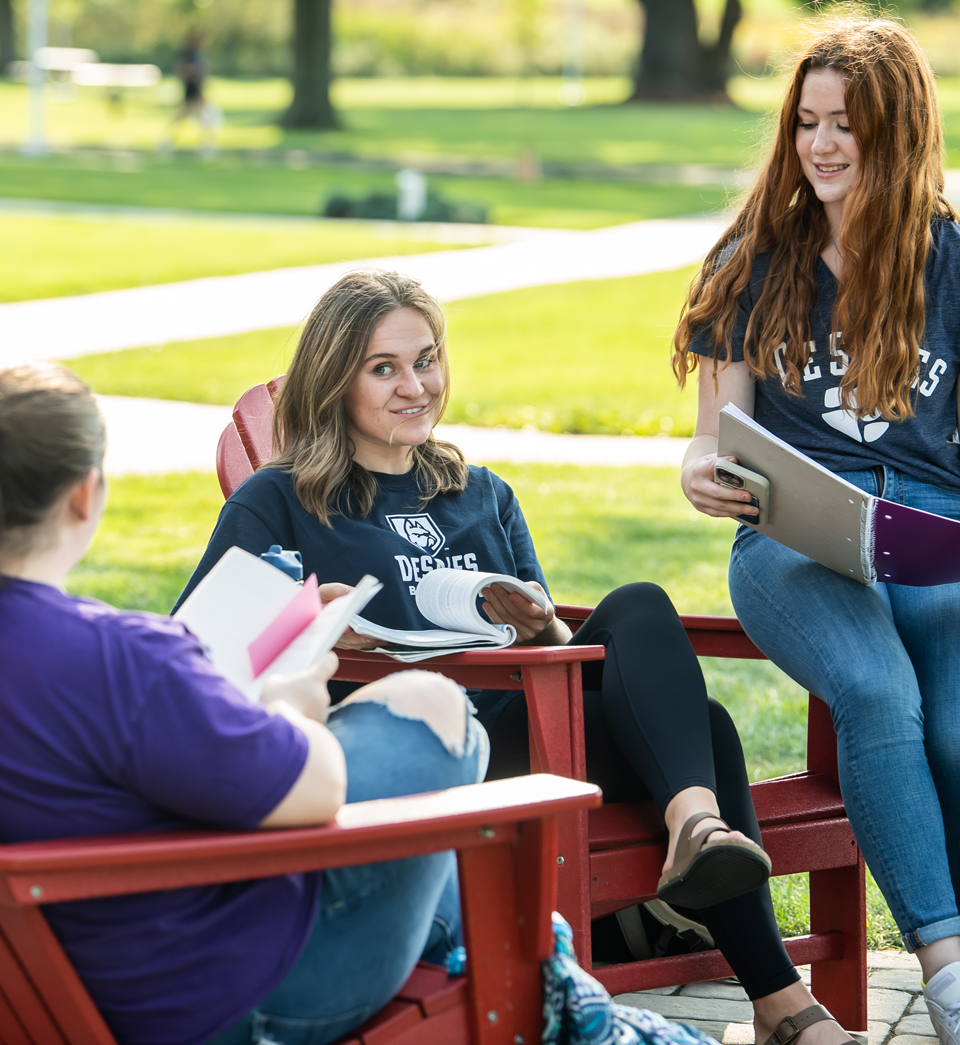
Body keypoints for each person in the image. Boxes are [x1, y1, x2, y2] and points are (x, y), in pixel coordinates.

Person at [178, 268, 853, 1045]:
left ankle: (704, 845)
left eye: (426, 359)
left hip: (530, 725)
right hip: (418, 754)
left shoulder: (479, 492)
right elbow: (198, 646)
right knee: (706, 726)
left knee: (642, 612)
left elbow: (557, 660)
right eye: (383, 367)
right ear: (335, 381)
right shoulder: (281, 499)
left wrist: (543, 633)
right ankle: (778, 998)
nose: (415, 385)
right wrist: (309, 621)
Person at [0, 362, 487, 1045]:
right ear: (85, 494)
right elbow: (315, 790)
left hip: (35, 996)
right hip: (217, 998)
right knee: (432, 706)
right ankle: (544, 975)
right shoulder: (119, 657)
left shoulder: (118, 663)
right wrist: (292, 693)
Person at [673, 15, 960, 1044]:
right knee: (881, 693)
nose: (824, 145)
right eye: (809, 123)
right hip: (795, 541)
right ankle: (945, 965)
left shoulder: (949, 255)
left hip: (931, 534)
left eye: (849, 125)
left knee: (958, 728)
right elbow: (716, 441)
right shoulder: (751, 258)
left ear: (902, 134)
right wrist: (705, 474)